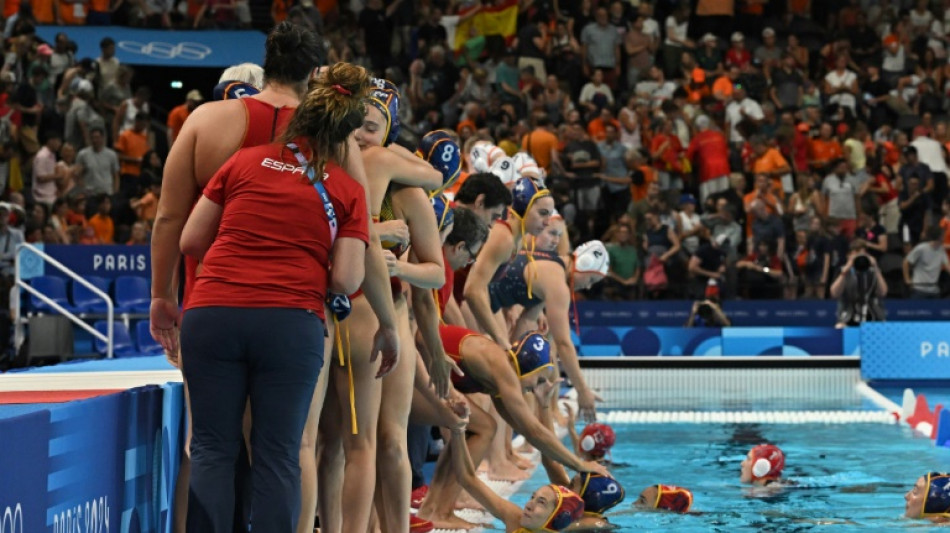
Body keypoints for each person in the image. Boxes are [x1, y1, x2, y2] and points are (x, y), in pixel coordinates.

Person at [150, 22, 400, 533]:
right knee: (290, 448)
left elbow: (171, 222)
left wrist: (162, 295)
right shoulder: (334, 141)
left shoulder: (208, 121)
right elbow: (363, 242)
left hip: (211, 300)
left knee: (209, 447)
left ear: (267, 63)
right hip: (295, 309)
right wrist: (387, 319)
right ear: (315, 74)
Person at [417, 331, 608, 529]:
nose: (535, 388)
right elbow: (533, 433)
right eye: (539, 379)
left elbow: (529, 432)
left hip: (420, 378)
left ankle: (434, 508)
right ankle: (439, 509)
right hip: (413, 375)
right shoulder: (503, 368)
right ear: (528, 367)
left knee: (481, 426)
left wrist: (543, 407)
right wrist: (580, 464)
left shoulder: (500, 373)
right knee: (484, 427)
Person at [447, 417, 586, 533]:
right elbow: (467, 479)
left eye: (541, 502)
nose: (529, 505)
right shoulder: (515, 520)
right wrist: (458, 431)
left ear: (558, 519)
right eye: (533, 497)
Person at [830, 240, 887, 327]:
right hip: (848, 315)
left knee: (883, 327)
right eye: (856, 255)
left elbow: (882, 292)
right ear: (848, 255)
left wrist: (876, 268)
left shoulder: (873, 271)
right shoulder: (842, 271)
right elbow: (834, 293)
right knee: (839, 327)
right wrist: (845, 271)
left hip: (872, 315)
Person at [903, 225, 950, 298]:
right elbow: (906, 262)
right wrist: (907, 279)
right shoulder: (921, 248)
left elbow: (948, 267)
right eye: (943, 235)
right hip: (918, 290)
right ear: (940, 237)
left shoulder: (941, 250)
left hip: (934, 290)